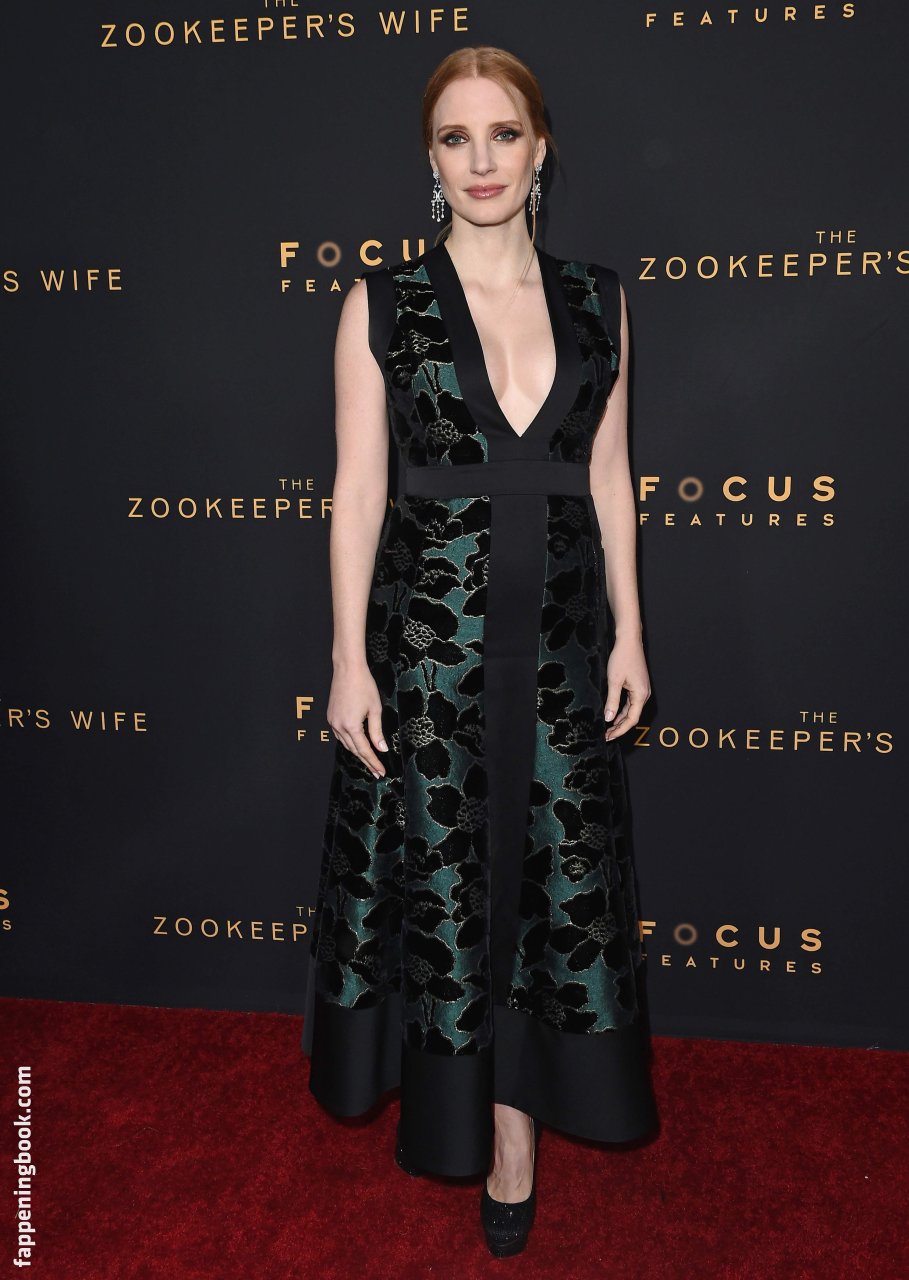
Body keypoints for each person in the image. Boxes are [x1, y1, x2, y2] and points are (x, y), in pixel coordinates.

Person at [301, 44, 659, 1258]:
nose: (482, 160)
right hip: (430, 659)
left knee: (551, 894)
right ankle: (479, 1125)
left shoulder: (601, 300)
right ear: (431, 158)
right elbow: (358, 493)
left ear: (540, 147)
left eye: (503, 133)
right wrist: (347, 660)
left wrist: (632, 630)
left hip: (559, 656)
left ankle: (519, 1134)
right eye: (456, 138)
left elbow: (609, 478)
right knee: (452, 893)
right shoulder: (382, 304)